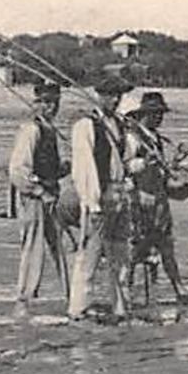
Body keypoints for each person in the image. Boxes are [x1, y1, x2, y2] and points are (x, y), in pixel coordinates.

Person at [121, 92, 188, 303]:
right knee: (137, 248)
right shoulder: (132, 138)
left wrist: (176, 161)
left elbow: (162, 171)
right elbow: (125, 168)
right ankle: (125, 289)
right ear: (143, 114)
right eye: (155, 113)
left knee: (166, 246)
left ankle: (178, 288)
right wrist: (145, 162)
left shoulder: (156, 139)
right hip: (142, 199)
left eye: (160, 113)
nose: (159, 118)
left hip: (159, 200)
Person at [68, 77, 131, 322]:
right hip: (100, 196)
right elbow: (84, 168)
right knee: (90, 256)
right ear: (98, 96)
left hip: (119, 195)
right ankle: (78, 309)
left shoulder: (118, 124)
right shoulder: (86, 126)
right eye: (110, 95)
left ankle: (120, 306)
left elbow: (121, 161)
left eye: (118, 96)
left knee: (121, 254)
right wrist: (92, 203)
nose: (115, 100)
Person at [8, 81, 70, 315]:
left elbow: (48, 167)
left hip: (51, 195)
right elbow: (18, 170)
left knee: (61, 247)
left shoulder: (49, 130)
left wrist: (66, 167)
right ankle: (24, 297)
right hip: (34, 199)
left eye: (54, 103)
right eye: (45, 102)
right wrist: (39, 192)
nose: (50, 107)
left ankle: (70, 294)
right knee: (33, 248)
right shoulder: (31, 130)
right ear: (36, 103)